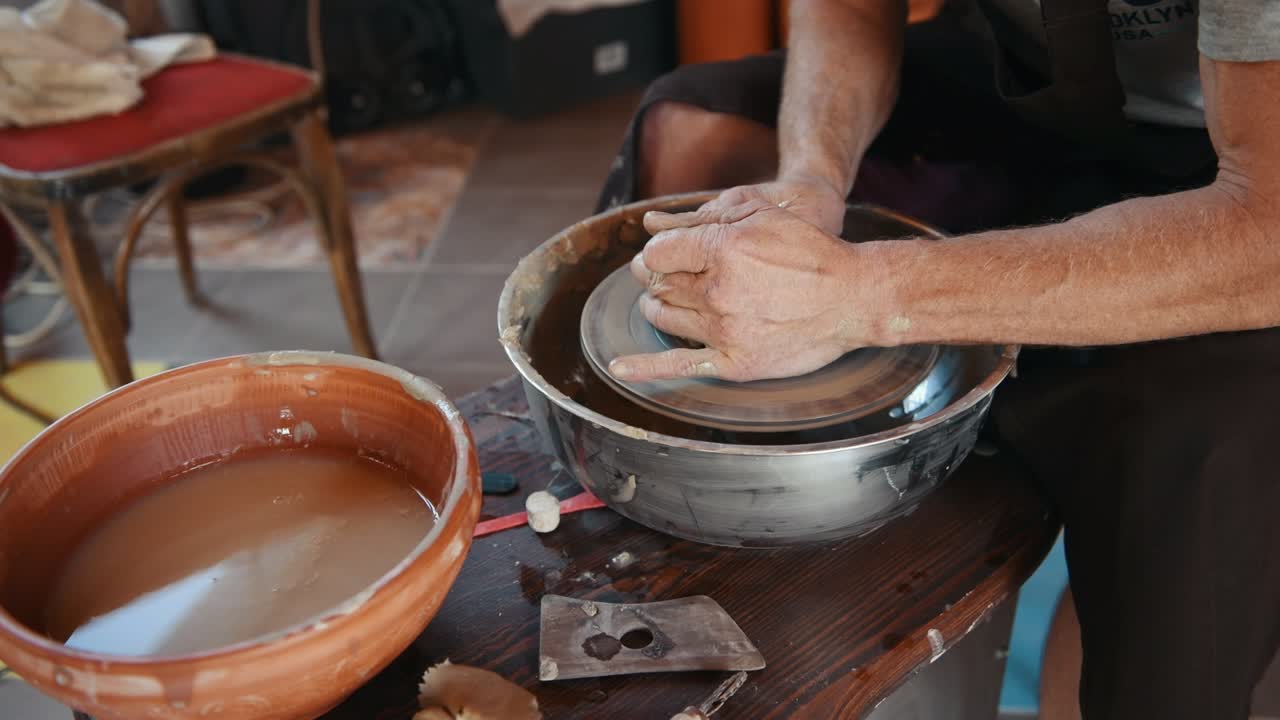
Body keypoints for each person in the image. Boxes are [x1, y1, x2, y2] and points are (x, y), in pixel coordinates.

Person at [594, 0, 1280, 717]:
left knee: (1187, 475)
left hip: (1234, 174)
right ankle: (694, 564)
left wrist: (865, 294)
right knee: (696, 136)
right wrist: (812, 176)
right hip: (1032, 83)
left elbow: (1266, 234)